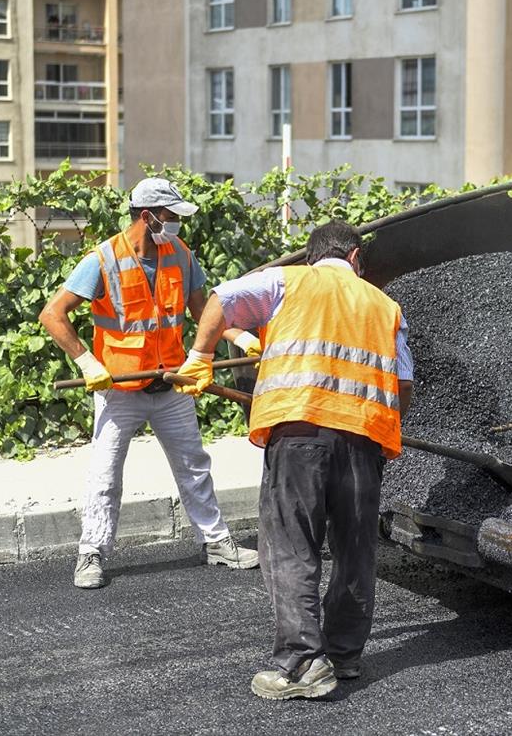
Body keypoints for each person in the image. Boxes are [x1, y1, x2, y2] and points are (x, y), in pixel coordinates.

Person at [179, 221, 414, 701]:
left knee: (290, 547)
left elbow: (221, 299)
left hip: (300, 434)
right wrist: (383, 428)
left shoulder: (288, 281)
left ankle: (303, 663)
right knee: (355, 549)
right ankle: (344, 654)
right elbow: (403, 385)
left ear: (315, 257)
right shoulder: (386, 306)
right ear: (354, 258)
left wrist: (200, 354)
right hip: (364, 440)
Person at [39, 177, 261, 589]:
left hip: (171, 381)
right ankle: (92, 552)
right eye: (171, 216)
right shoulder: (103, 260)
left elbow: (202, 310)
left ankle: (215, 542)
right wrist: (86, 361)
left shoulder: (178, 252)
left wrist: (236, 335)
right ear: (149, 217)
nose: (177, 224)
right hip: (120, 388)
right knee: (105, 476)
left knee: (194, 466)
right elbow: (53, 314)